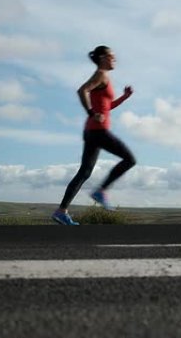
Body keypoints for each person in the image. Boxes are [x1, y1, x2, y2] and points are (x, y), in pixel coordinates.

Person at [52, 45, 137, 226]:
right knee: (129, 159)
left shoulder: (105, 77)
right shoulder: (100, 74)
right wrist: (91, 112)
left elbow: (107, 107)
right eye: (111, 56)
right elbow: (82, 90)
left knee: (84, 172)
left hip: (92, 131)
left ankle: (61, 211)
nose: (114, 59)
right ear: (101, 58)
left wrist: (124, 97)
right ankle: (101, 191)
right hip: (98, 130)